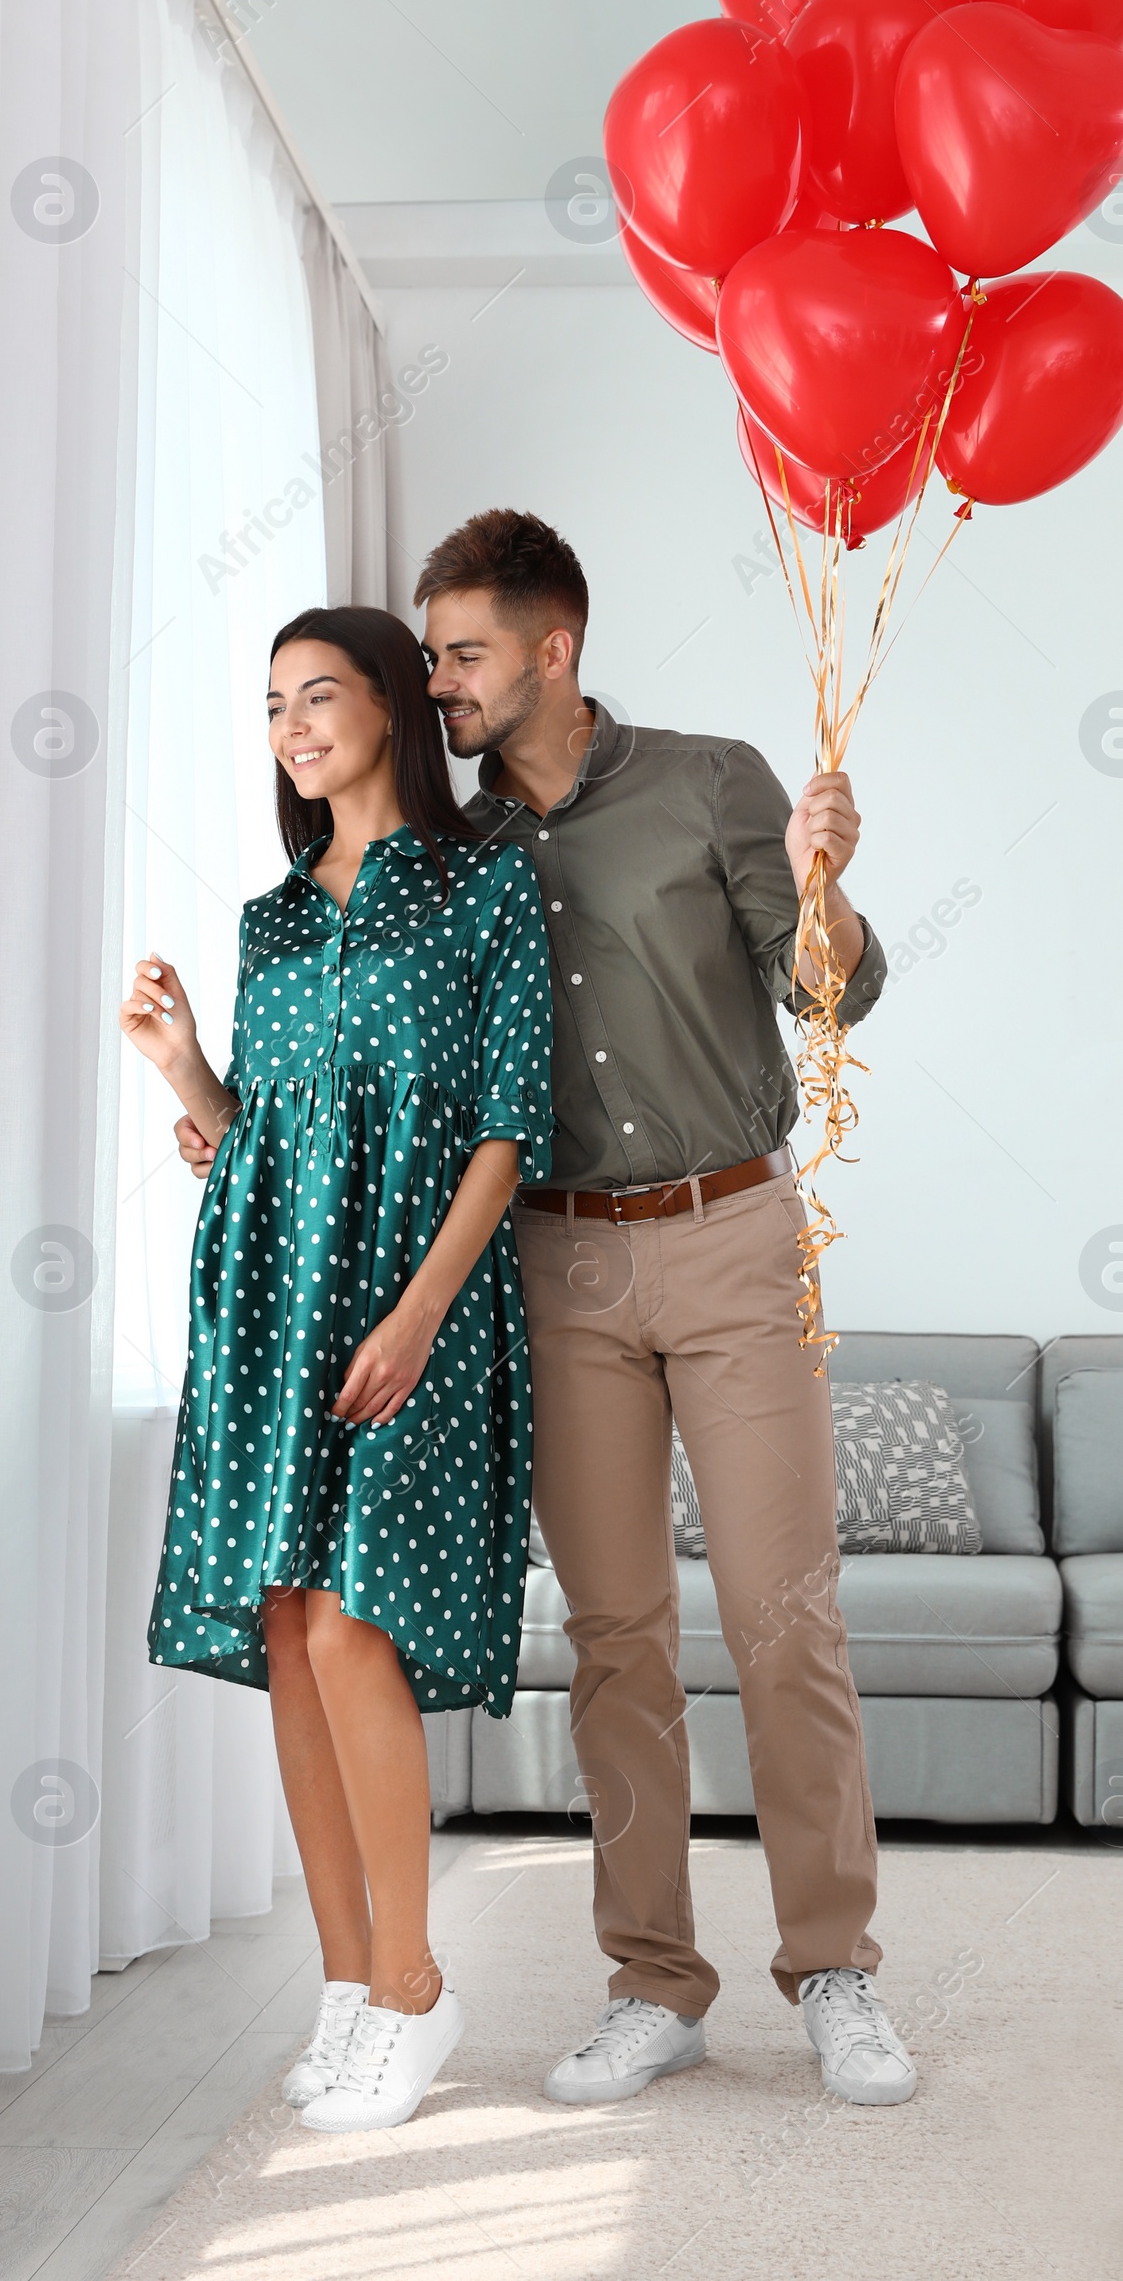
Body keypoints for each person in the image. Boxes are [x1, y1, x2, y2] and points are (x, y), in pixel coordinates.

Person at [414, 506, 918, 2111]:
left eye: (465, 653)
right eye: (433, 657)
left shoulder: (713, 781)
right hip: (554, 1263)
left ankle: (834, 1966)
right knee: (615, 1637)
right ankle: (653, 1979)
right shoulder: (462, 846)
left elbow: (832, 989)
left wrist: (824, 887)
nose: (443, 684)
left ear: (554, 650)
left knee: (786, 1616)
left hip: (729, 1232)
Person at [125, 603, 552, 2134]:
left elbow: (507, 1130)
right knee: (295, 1636)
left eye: (320, 693)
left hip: (415, 1306)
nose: (292, 724)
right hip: (270, 1308)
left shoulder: (485, 886)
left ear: (388, 704)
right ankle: (348, 1980)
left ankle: (416, 1989)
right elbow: (271, 1155)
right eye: (271, 704)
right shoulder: (272, 920)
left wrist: (425, 1310)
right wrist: (188, 1075)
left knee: (359, 1627)